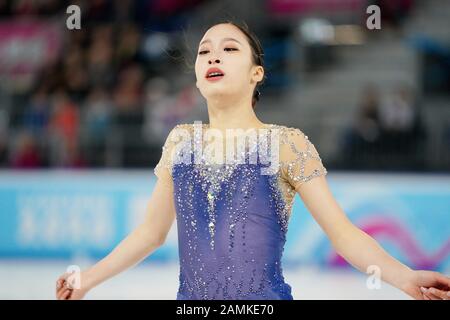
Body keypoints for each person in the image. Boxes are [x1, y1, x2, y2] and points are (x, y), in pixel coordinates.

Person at [56, 21, 450, 300]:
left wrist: (405, 278)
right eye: (204, 51)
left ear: (256, 73)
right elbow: (150, 234)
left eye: (229, 49)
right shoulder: (180, 142)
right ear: (195, 76)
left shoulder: (286, 144)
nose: (214, 56)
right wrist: (87, 280)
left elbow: (343, 234)